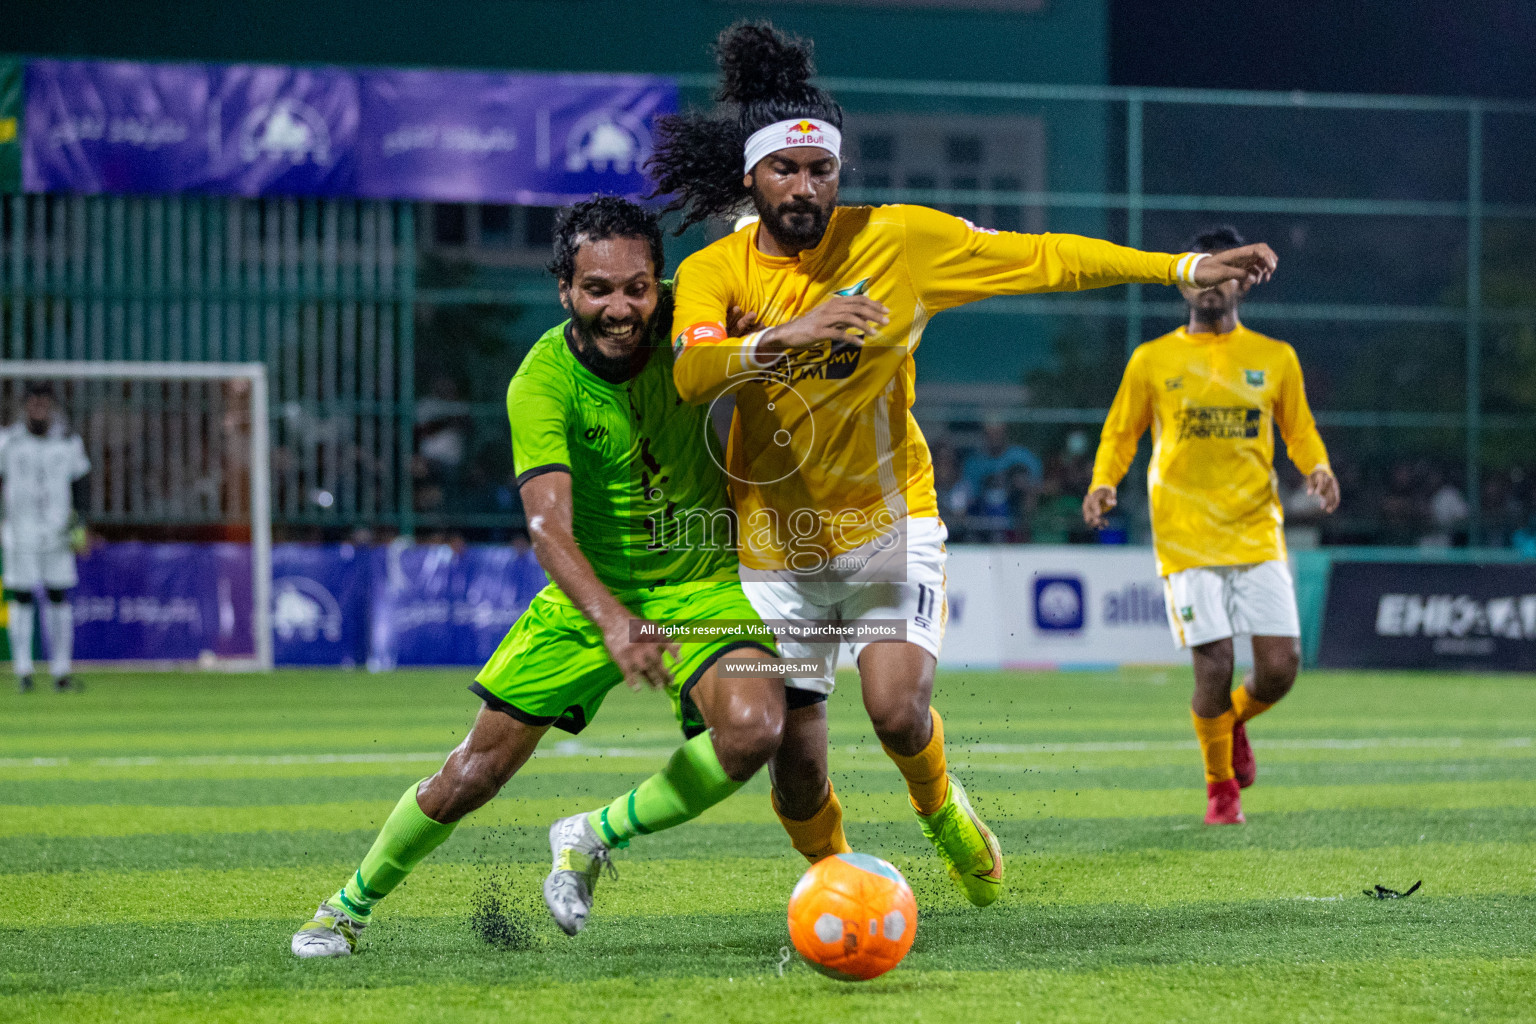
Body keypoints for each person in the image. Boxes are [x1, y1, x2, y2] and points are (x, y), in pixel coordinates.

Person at [654, 22, 1279, 905]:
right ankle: (843, 892)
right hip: (775, 546)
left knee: (898, 712)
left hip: (887, 522)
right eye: (784, 170)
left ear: (840, 173)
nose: (804, 186)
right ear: (752, 177)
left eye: (821, 169)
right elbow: (688, 370)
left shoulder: (901, 241)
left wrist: (1177, 265)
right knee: (795, 774)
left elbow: (1046, 258)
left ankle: (941, 807)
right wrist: (787, 336)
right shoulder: (714, 269)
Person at [291, 197, 783, 957]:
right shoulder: (542, 381)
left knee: (755, 730)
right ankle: (345, 906)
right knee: (473, 773)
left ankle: (589, 835)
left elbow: (771, 289)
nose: (620, 307)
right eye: (598, 289)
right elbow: (548, 527)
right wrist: (617, 622)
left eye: (636, 288)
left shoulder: (691, 330)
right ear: (565, 290)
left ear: (660, 285)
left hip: (702, 585)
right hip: (589, 596)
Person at [1082, 225, 1339, 826]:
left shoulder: (1274, 358)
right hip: (1185, 532)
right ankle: (1220, 788)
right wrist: (1103, 481)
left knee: (1281, 668)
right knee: (1215, 662)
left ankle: (1230, 722)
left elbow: (1297, 429)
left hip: (1256, 528)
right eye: (1206, 272)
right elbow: (1122, 431)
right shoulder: (1153, 359)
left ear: (1244, 282)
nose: (1214, 285)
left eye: (1228, 274)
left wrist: (1319, 467)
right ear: (1188, 281)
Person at [0, 383, 90, 693]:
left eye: (44, 404)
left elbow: (81, 484)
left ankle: (61, 672)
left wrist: (80, 526)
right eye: (33, 404)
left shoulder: (68, 442)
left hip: (58, 532)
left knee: (58, 595)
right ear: (25, 407)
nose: (39, 409)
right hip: (19, 531)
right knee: (22, 596)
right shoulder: (8, 441)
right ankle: (23, 671)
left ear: (51, 407)